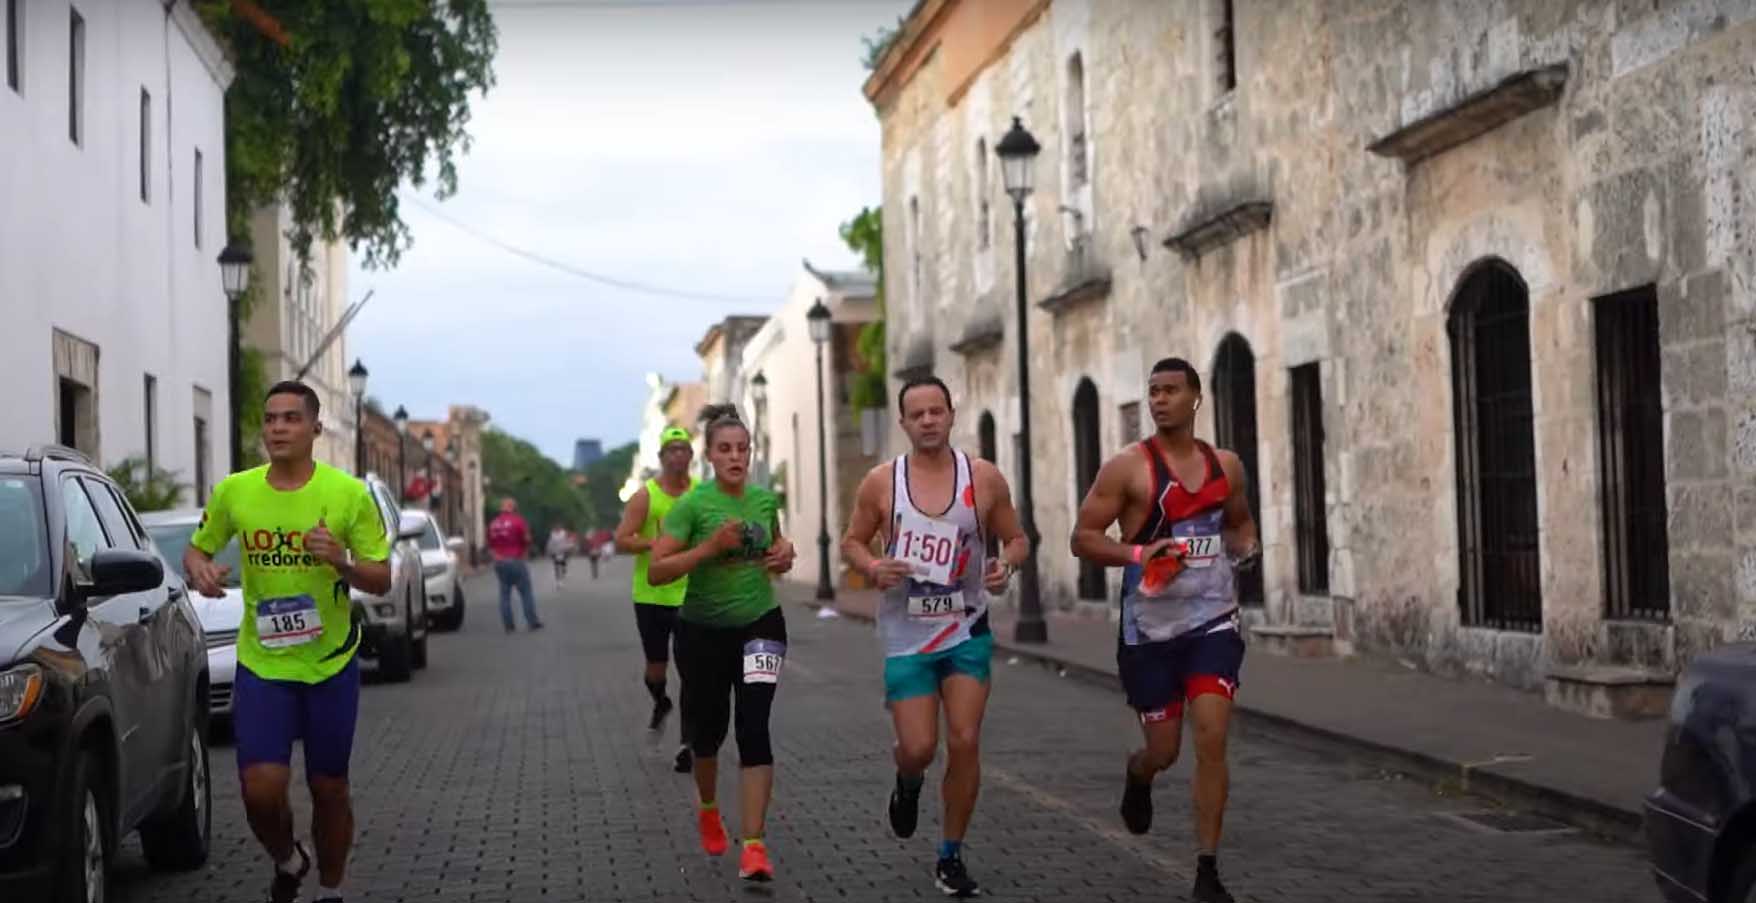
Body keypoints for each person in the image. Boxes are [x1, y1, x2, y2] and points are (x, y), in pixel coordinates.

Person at [183, 381, 393, 903]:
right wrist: (202, 570)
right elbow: (195, 551)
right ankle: (288, 858)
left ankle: (331, 888)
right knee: (260, 791)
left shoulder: (348, 495)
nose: (278, 428)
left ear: (315, 429)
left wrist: (341, 560)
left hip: (329, 665)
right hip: (264, 664)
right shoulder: (236, 490)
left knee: (330, 789)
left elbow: (381, 578)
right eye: (271, 419)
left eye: (291, 419)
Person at [1069, 357, 1260, 903]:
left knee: (1213, 736)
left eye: (1170, 390)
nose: (1159, 400)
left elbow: (1240, 522)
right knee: (1165, 750)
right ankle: (1140, 774)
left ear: (1195, 398)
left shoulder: (1227, 466)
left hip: (1212, 624)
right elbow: (1082, 538)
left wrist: (1246, 548)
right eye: (1152, 391)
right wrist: (1137, 551)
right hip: (1150, 633)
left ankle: (1207, 869)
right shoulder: (1128, 469)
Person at [840, 375, 1030, 898]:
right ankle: (907, 781)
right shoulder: (883, 482)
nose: (928, 421)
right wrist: (874, 565)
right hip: (906, 634)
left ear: (951, 415)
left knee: (965, 740)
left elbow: (1017, 538)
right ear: (903, 423)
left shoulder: (983, 477)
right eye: (916, 414)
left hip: (966, 627)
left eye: (936, 411)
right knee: (920, 747)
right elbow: (851, 542)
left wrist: (1005, 566)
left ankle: (950, 853)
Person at [648, 405, 795, 882]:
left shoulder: (764, 499)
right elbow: (658, 569)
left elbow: (774, 548)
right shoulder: (691, 506)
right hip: (701, 634)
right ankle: (708, 808)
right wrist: (709, 548)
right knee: (707, 735)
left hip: (761, 626)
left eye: (743, 449)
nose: (736, 457)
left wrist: (783, 554)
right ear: (708, 456)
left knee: (754, 725)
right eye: (725, 449)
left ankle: (753, 845)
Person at [613, 426, 701, 773]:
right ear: (662, 457)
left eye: (684, 449)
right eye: (672, 450)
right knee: (655, 670)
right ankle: (660, 701)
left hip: (691, 594)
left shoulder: (700, 494)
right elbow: (622, 538)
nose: (679, 455)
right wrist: (654, 544)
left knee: (692, 672)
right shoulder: (646, 497)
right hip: (651, 594)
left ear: (691, 457)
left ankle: (687, 744)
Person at [488, 498, 543, 632]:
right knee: (526, 592)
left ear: (502, 508)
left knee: (504, 594)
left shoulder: (493, 524)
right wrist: (525, 550)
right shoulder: (518, 521)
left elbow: (490, 545)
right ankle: (532, 621)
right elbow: (527, 539)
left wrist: (496, 557)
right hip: (515, 559)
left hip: (500, 561)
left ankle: (508, 625)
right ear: (513, 508)